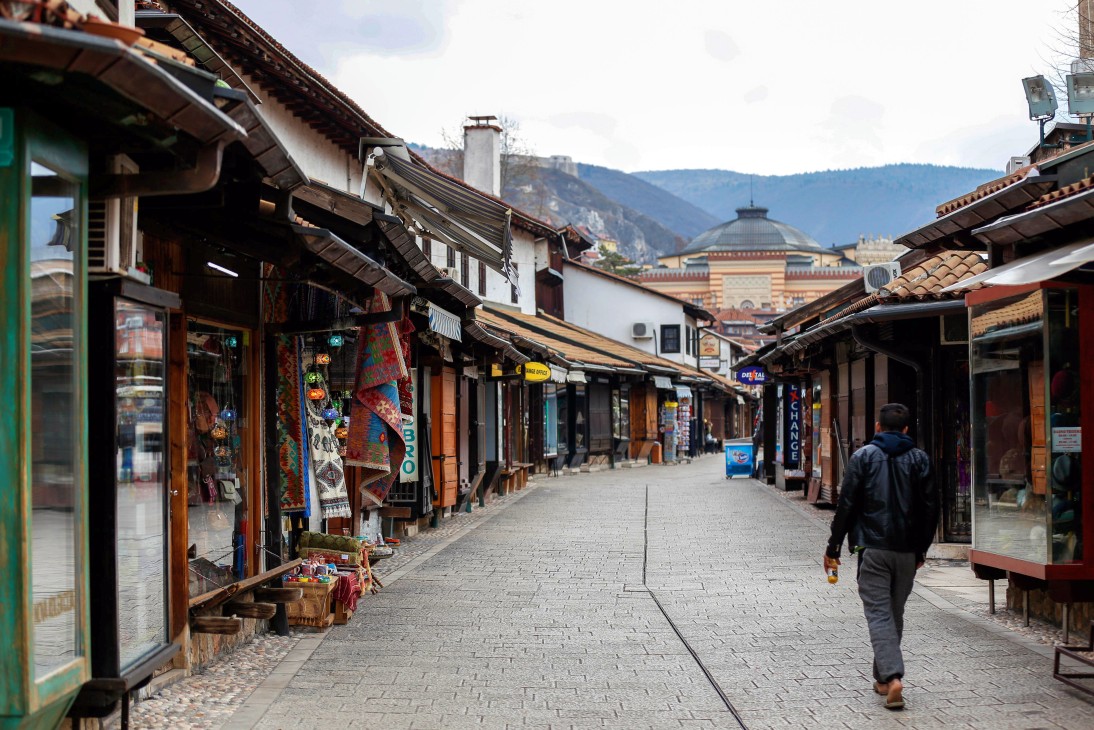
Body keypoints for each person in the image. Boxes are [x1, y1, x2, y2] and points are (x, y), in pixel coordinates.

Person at [823, 403, 937, 711]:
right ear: (905, 430)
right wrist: (921, 549)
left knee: (879, 613)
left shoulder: (862, 458)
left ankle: (893, 676)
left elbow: (845, 506)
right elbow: (930, 509)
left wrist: (833, 547)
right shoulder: (920, 460)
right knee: (893, 613)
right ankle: (883, 678)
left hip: (872, 549)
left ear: (877, 427)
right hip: (907, 551)